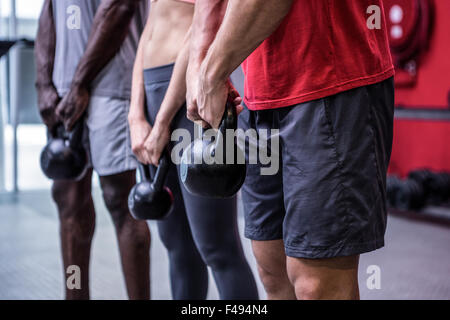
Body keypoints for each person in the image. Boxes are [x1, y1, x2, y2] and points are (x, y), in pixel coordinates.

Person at [186, 0, 395, 300]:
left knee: (317, 286)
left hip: (329, 76)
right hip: (258, 92)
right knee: (273, 272)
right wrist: (199, 63)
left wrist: (211, 74)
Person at [128, 0, 258, 300]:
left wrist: (161, 122)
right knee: (176, 245)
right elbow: (148, 30)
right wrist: (135, 113)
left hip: (191, 93)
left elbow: (202, 29)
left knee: (217, 246)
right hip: (153, 93)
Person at [35, 0, 150, 300]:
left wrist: (79, 84)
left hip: (112, 85)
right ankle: (75, 296)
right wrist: (43, 82)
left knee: (121, 201)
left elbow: (121, 7)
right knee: (69, 201)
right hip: (63, 92)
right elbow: (49, 12)